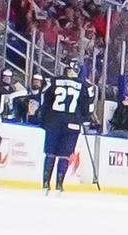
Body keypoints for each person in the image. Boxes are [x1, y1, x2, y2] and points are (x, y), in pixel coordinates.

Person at [39, 66, 92, 194]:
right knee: (64, 155)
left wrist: (43, 119)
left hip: (53, 121)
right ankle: (59, 184)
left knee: (50, 153)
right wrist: (86, 120)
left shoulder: (53, 81)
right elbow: (88, 106)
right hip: (72, 124)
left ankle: (46, 183)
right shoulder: (84, 86)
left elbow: (45, 101)